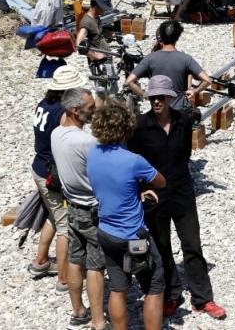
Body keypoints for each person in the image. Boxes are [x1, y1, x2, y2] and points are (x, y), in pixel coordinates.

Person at [129, 76, 226, 320]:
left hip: (182, 191)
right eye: (152, 97)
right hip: (154, 195)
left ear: (170, 98)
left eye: (161, 96)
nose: (156, 101)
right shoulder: (140, 126)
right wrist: (139, 190)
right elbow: (131, 162)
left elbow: (187, 150)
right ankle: (172, 295)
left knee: (192, 244)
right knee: (162, 247)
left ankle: (202, 299)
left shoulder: (183, 121)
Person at [87, 101, 166, 330]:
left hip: (106, 233)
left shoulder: (92, 155)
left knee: (118, 287)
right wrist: (142, 186)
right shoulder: (133, 160)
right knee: (153, 285)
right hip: (134, 237)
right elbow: (161, 181)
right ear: (126, 128)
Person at [50, 87, 109, 330]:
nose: (93, 112)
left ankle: (78, 311)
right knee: (95, 266)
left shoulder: (56, 134)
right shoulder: (87, 142)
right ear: (75, 110)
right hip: (92, 209)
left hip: (72, 206)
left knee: (76, 259)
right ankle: (98, 321)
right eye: (90, 108)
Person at [28, 65, 87, 292]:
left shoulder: (43, 105)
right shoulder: (62, 114)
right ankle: (64, 278)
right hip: (52, 175)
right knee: (65, 227)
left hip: (38, 167)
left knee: (53, 216)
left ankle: (41, 262)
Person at [127, 20, 212, 114]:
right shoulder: (185, 59)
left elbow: (129, 81)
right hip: (180, 111)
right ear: (177, 38)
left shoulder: (150, 58)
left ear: (161, 37)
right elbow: (207, 80)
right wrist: (195, 91)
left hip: (159, 112)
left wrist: (146, 95)